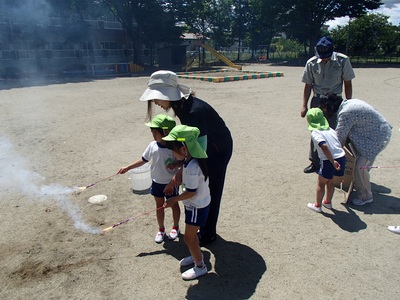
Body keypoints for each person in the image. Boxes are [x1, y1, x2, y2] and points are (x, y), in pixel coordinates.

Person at [140, 70, 233, 246]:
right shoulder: (182, 107)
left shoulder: (194, 111)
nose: (155, 102)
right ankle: (203, 227)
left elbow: (200, 151)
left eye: (156, 97)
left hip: (217, 149)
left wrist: (181, 172)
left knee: (210, 189)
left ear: (168, 94)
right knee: (200, 186)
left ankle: (207, 234)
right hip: (204, 146)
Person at [117, 114, 181, 243]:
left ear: (166, 132)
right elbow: (143, 160)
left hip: (171, 183)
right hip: (157, 182)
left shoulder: (174, 147)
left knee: (173, 204)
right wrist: (128, 167)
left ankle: (176, 227)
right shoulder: (152, 145)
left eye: (155, 132)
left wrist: (175, 164)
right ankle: (161, 229)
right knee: (159, 206)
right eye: (152, 132)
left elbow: (183, 161)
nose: (153, 135)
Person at [319, 94, 392, 206]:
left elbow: (339, 138)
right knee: (361, 167)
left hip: (377, 138)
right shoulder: (348, 104)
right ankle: (360, 183)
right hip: (375, 133)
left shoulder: (346, 113)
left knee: (360, 167)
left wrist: (330, 157)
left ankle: (366, 196)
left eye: (324, 109)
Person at [301, 36, 355, 174]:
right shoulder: (311, 63)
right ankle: (314, 162)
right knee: (316, 133)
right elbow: (308, 85)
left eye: (326, 56)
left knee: (336, 132)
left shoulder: (343, 60)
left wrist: (348, 103)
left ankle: (336, 162)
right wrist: (304, 105)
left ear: (332, 50)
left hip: (335, 101)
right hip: (318, 101)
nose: (324, 59)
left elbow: (347, 83)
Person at [162, 124, 210, 280]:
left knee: (188, 238)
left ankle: (200, 266)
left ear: (183, 150)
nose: (172, 154)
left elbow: (191, 192)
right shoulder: (190, 161)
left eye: (173, 150)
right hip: (195, 204)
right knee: (192, 236)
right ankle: (196, 253)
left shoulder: (192, 167)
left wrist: (173, 200)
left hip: (196, 206)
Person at [305, 108, 346, 213]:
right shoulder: (331, 130)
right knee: (330, 181)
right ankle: (328, 202)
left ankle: (317, 205)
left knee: (321, 183)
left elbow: (324, 146)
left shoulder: (315, 133)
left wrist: (332, 161)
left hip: (328, 160)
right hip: (341, 157)